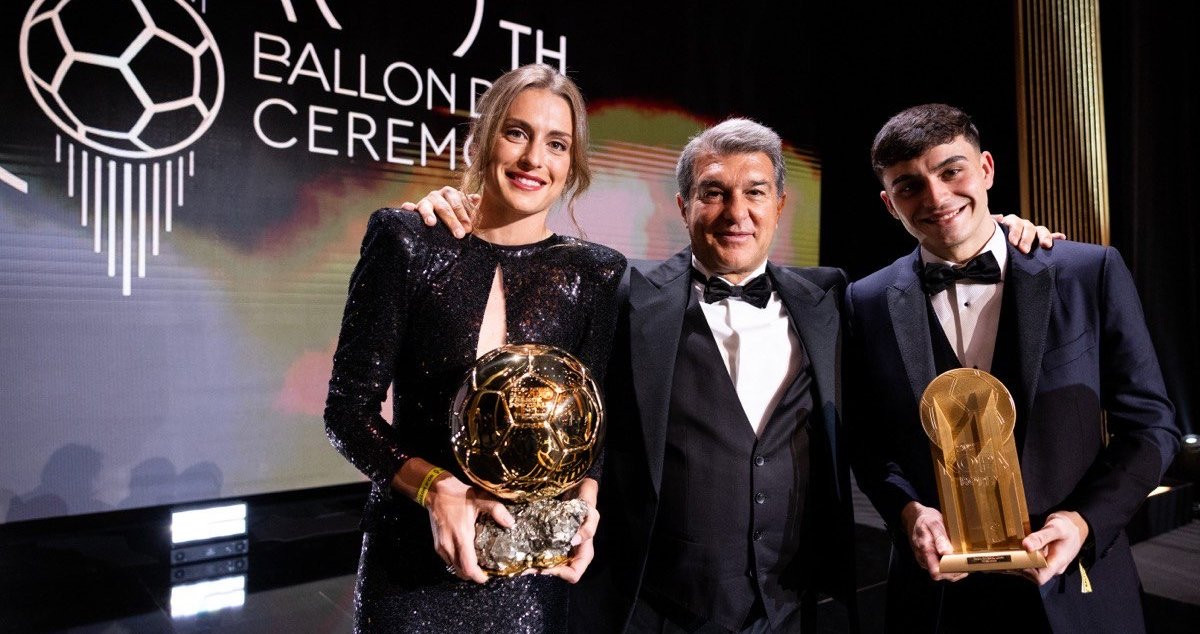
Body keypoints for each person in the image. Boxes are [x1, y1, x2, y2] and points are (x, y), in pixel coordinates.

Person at [410, 116, 1056, 633]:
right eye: (713, 193)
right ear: (685, 205)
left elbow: (933, 270)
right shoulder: (624, 290)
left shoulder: (831, 295)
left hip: (794, 604)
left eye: (753, 193)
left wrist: (1001, 232)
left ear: (778, 204)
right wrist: (466, 215)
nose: (735, 211)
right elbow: (526, 295)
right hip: (657, 604)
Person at [845, 103, 1179, 632]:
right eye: (909, 186)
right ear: (889, 204)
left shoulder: (1087, 273)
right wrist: (907, 511)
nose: (936, 197)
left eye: (951, 170)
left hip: (1075, 588)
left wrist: (1083, 523)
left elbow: (1152, 427)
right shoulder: (865, 301)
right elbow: (867, 442)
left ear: (986, 169)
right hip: (936, 599)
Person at [324, 64, 626, 633]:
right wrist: (436, 491)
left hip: (531, 576)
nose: (534, 158)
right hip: (411, 567)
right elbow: (346, 412)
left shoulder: (595, 273)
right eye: (517, 133)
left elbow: (595, 426)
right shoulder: (407, 240)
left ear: (572, 166)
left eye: (556, 144)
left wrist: (587, 508)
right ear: (484, 138)